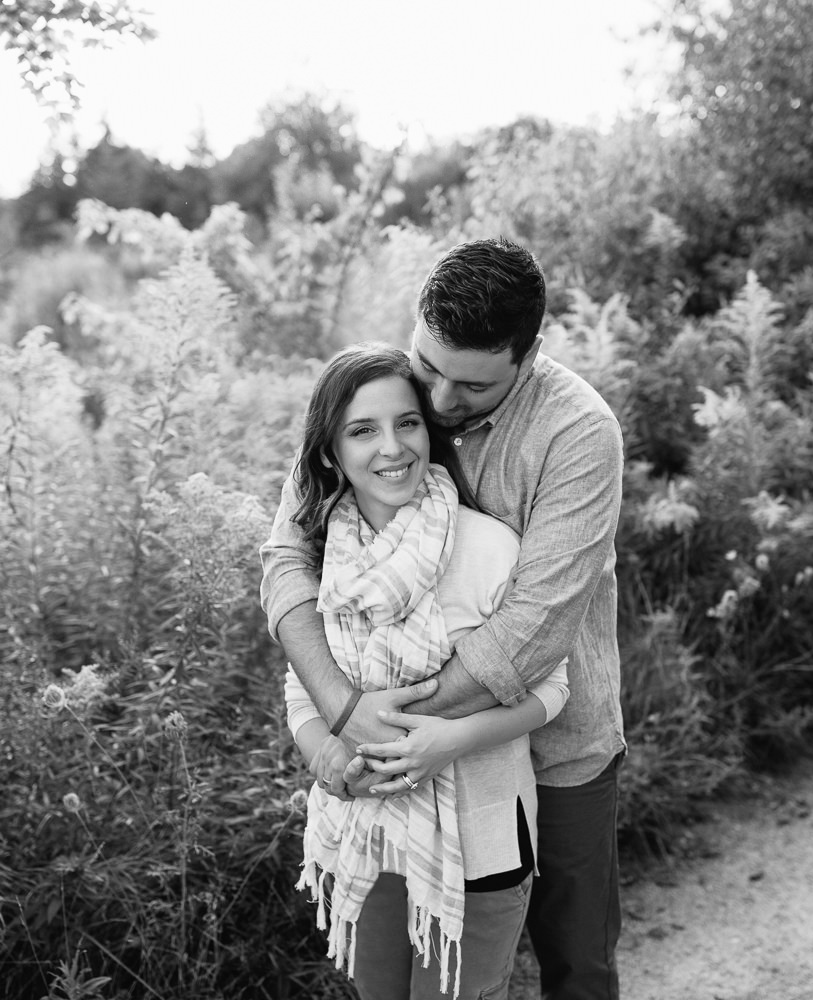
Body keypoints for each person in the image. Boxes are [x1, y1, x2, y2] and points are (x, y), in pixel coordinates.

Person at [262, 237, 626, 1000]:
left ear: (525, 361)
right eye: (429, 366)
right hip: (391, 763)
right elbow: (287, 564)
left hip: (552, 747)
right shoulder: (374, 402)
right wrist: (342, 709)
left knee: (576, 963)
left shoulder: (577, 433)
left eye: (472, 386)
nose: (439, 400)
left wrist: (383, 731)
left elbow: (530, 632)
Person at [282, 344, 570, 999]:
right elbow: (303, 684)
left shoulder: (490, 548)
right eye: (362, 430)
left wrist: (453, 739)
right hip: (366, 831)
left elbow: (555, 688)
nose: (392, 447)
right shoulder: (324, 554)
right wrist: (326, 754)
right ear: (329, 453)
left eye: (407, 423)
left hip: (483, 838)